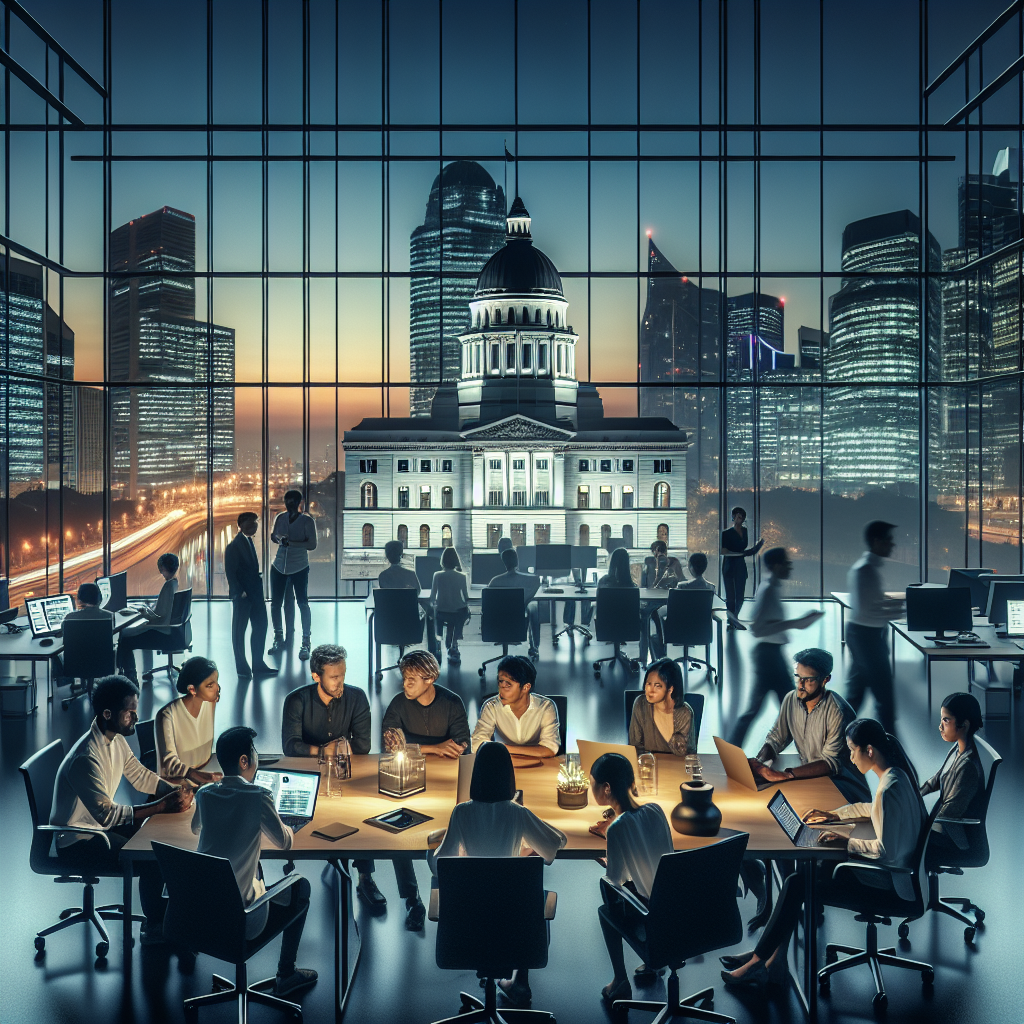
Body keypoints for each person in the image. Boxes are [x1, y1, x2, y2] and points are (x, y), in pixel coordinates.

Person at [722, 719, 925, 991]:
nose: (850, 758)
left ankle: (759, 960)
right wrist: (833, 815)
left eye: (852, 750)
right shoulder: (895, 777)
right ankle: (769, 957)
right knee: (802, 876)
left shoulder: (890, 788)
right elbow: (872, 808)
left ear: (869, 751)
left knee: (797, 884)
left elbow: (884, 851)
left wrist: (846, 841)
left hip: (888, 884)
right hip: (894, 875)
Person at [49, 674, 193, 946]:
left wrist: (171, 790)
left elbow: (139, 774)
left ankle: (164, 918)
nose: (136, 718)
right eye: (130, 713)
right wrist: (160, 805)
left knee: (159, 841)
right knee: (151, 855)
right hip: (79, 839)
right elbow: (107, 814)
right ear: (107, 714)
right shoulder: (86, 757)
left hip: (98, 826)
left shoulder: (114, 739)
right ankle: (155, 929)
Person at [430, 742, 567, 1007]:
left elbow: (439, 866)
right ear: (509, 776)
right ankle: (517, 978)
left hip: (469, 926)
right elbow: (552, 848)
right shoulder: (517, 813)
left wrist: (440, 848)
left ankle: (500, 977)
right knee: (532, 898)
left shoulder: (461, 812)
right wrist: (525, 844)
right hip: (512, 924)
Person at [191, 726, 317, 999]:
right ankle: (286, 974)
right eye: (255, 751)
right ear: (244, 761)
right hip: (242, 918)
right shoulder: (259, 797)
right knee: (302, 887)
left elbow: (195, 827)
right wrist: (286, 823)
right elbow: (285, 842)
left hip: (201, 913)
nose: (257, 756)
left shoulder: (204, 793)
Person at [280, 645, 383, 910]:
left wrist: (327, 751)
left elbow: (363, 746)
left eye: (343, 675)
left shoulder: (357, 697)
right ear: (316, 676)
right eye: (334, 677)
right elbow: (290, 746)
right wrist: (324, 750)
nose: (341, 682)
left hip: (343, 771)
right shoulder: (297, 700)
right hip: (307, 776)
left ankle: (365, 877)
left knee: (360, 811)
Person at [381, 650, 471, 930]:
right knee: (397, 836)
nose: (405, 684)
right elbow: (390, 747)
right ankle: (412, 899)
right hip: (406, 779)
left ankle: (450, 893)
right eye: (404, 678)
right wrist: (435, 747)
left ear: (429, 679)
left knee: (449, 832)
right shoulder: (398, 704)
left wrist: (413, 746)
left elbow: (461, 747)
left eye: (411, 679)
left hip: (446, 782)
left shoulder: (452, 702)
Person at [592, 752, 675, 1004]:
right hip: (678, 906)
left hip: (653, 915)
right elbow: (659, 857)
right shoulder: (656, 810)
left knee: (606, 909)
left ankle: (620, 981)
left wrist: (609, 862)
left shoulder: (617, 829)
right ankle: (655, 963)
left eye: (593, 783)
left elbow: (615, 882)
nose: (591, 788)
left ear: (606, 789)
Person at [748, 647, 871, 804]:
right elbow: (776, 738)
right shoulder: (791, 700)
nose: (800, 685)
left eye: (808, 680)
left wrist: (787, 775)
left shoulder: (838, 712)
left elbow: (830, 763)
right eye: (798, 677)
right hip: (814, 783)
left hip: (844, 790)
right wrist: (759, 763)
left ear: (825, 680)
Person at [729, 547, 824, 748]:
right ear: (776, 565)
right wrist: (796, 623)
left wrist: (798, 623)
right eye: (786, 563)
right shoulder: (768, 590)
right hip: (769, 657)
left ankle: (735, 750)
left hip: (770, 655)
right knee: (790, 707)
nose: (790, 567)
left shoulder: (771, 588)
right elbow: (758, 628)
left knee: (775, 707)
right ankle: (807, 751)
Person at [846, 520, 904, 734]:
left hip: (864, 635)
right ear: (877, 541)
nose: (892, 544)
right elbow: (871, 611)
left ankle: (835, 743)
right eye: (889, 540)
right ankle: (891, 749)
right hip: (867, 638)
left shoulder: (867, 569)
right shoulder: (866, 571)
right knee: (884, 700)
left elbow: (873, 605)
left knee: (855, 697)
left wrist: (898, 605)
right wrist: (906, 612)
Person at [920, 692, 986, 860]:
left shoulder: (968, 767)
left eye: (946, 720)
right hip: (946, 826)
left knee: (907, 839)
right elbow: (937, 779)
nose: (940, 727)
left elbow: (948, 814)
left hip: (957, 841)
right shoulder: (957, 749)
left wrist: (921, 823)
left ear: (964, 724)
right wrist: (915, 794)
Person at [471, 655, 560, 757]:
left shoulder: (545, 707)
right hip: (503, 762)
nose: (501, 692)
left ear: (526, 687)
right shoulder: (492, 706)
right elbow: (477, 744)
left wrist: (503, 748)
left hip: (538, 763)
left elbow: (550, 748)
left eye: (507, 685)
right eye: (500, 683)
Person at [155, 656, 224, 785]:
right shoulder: (167, 715)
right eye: (210, 685)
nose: (217, 688)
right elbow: (169, 764)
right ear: (192, 690)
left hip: (207, 768)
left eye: (216, 682)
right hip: (178, 781)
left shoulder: (209, 702)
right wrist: (195, 775)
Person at [224, 511, 276, 680]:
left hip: (256, 594)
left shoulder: (248, 541)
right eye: (250, 523)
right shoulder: (233, 546)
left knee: (261, 626)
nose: (254, 526)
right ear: (240, 525)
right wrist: (240, 592)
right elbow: (231, 573)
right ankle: (242, 669)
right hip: (244, 597)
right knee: (239, 632)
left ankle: (258, 665)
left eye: (255, 523)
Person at [268, 489, 318, 662]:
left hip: (299, 566)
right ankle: (278, 638)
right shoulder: (280, 518)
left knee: (303, 603)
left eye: (292, 502)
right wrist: (278, 539)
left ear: (299, 503)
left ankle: (306, 642)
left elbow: (312, 544)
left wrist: (292, 543)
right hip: (279, 565)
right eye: (287, 502)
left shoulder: (307, 521)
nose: (289, 505)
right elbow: (274, 536)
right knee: (275, 604)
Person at [116, 552, 180, 684]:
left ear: (162, 568)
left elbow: (159, 616)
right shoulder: (174, 583)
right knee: (129, 634)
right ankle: (128, 675)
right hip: (169, 630)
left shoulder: (168, 586)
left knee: (125, 639)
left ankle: (130, 677)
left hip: (161, 631)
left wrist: (144, 613)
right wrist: (149, 610)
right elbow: (163, 612)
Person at [379, 538, 438, 658]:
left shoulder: (383, 576)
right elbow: (417, 592)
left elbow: (388, 597)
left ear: (387, 555)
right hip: (410, 624)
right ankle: (433, 653)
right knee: (428, 611)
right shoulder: (410, 574)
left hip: (390, 624)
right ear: (401, 554)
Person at [628, 658, 695, 755]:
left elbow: (681, 752)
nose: (650, 690)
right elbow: (634, 746)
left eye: (657, 686)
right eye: (648, 684)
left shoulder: (684, 713)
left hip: (675, 763)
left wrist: (665, 714)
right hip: (648, 762)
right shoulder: (641, 704)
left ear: (670, 689)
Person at [487, 546, 541, 659]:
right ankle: (534, 646)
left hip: (498, 626)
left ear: (503, 562)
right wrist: (525, 600)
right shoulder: (530, 579)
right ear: (517, 561)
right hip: (518, 625)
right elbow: (537, 582)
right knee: (533, 608)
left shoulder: (494, 581)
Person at [596, 546, 647, 660]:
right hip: (627, 627)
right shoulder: (631, 586)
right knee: (646, 617)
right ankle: (644, 658)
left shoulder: (603, 582)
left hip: (607, 625)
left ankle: (616, 648)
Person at [720, 507, 764, 629]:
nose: (740, 520)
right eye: (738, 517)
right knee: (731, 596)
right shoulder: (726, 534)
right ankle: (731, 621)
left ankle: (735, 619)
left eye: (742, 517)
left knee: (740, 596)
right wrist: (740, 554)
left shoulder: (744, 531)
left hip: (740, 565)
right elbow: (723, 551)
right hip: (729, 566)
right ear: (734, 517)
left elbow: (744, 549)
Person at [641, 540, 682, 661]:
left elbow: (679, 581)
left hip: (663, 601)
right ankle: (658, 653)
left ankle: (650, 656)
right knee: (655, 618)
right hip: (661, 601)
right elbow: (644, 583)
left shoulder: (672, 563)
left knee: (651, 617)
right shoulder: (651, 563)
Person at [429, 546, 471, 665]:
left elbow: (432, 597)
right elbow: (466, 597)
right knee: (460, 613)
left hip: (442, 612)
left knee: (441, 616)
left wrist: (435, 606)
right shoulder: (462, 576)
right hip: (457, 613)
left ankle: (440, 645)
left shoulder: (437, 575)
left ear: (443, 560)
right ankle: (454, 644)